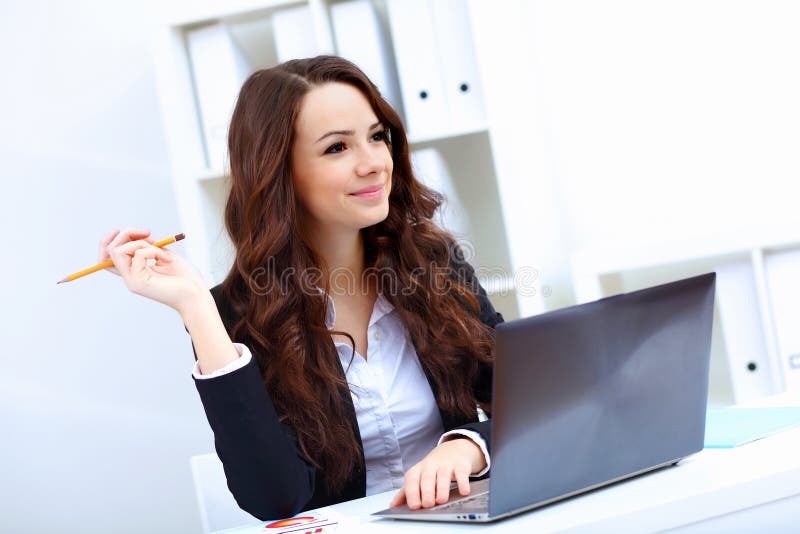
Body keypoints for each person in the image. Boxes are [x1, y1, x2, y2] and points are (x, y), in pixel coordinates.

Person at [100, 55, 503, 520]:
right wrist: (195, 307)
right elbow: (273, 498)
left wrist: (469, 446)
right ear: (278, 173)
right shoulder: (234, 313)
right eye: (337, 148)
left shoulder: (434, 266)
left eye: (377, 137)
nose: (373, 163)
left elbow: (533, 400)